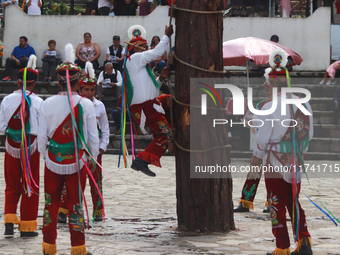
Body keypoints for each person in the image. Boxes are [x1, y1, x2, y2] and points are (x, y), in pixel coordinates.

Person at [39, 44, 99, 255]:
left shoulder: (47, 104)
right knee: (75, 203)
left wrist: (46, 155)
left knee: (50, 203)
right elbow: (93, 137)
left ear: (58, 81)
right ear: (77, 82)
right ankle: (78, 247)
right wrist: (92, 157)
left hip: (53, 159)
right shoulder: (86, 104)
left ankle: (49, 246)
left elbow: (41, 136)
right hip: (77, 160)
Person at [253, 52, 313, 255]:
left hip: (274, 162)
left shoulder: (270, 106)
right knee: (293, 201)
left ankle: (282, 247)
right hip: (295, 161)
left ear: (274, 84)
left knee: (276, 203)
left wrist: (258, 154)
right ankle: (304, 243)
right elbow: (309, 134)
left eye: (267, 84)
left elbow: (262, 139)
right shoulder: (304, 103)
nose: (266, 87)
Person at [0, 55, 42, 238]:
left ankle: (9, 222)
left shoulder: (7, 100)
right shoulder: (40, 102)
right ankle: (27, 226)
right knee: (30, 184)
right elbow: (43, 129)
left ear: (18, 82)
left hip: (11, 145)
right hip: (31, 146)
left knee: (11, 184)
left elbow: (2, 127)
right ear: (34, 84)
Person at [125, 24, 173, 177]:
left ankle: (172, 126)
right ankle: (141, 160)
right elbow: (158, 52)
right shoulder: (135, 58)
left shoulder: (139, 65)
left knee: (170, 100)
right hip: (145, 107)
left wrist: (161, 78)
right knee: (166, 136)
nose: (147, 49)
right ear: (136, 48)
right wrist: (166, 35)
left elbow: (150, 88)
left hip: (148, 103)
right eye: (144, 47)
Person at [234, 75, 272, 213]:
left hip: (274, 146)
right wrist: (250, 118)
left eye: (271, 90)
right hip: (260, 145)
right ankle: (245, 202)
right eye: (267, 90)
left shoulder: (282, 105)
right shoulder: (261, 104)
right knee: (253, 173)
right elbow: (248, 119)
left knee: (271, 175)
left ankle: (271, 203)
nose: (268, 93)